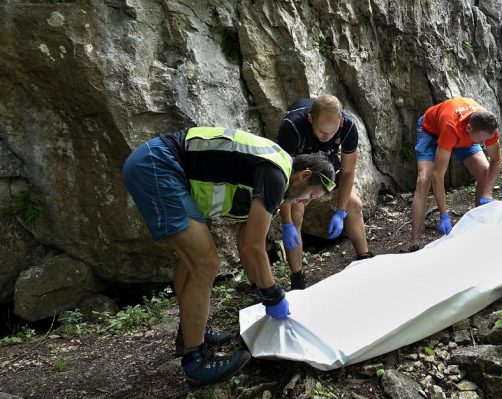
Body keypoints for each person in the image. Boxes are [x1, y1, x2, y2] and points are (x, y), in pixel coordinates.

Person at [122, 127, 336, 384]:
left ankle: (188, 334)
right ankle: (196, 360)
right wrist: (273, 293)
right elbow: (255, 246)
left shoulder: (271, 171)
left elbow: (245, 242)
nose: (306, 202)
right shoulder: (276, 175)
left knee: (192, 262)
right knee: (206, 263)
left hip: (157, 163)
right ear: (304, 175)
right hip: (157, 165)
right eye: (311, 195)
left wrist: (259, 286)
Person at [276, 94, 373, 290]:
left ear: (340, 122)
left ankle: (365, 260)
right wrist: (286, 223)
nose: (326, 137)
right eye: (322, 132)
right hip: (298, 167)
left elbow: (347, 171)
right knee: (295, 215)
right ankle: (298, 279)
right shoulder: (293, 126)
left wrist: (341, 210)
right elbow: (283, 177)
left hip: (326, 161)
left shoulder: (348, 126)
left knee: (354, 204)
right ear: (311, 119)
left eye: (332, 132)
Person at [408, 98, 502, 252]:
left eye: (487, 139)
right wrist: (444, 214)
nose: (485, 144)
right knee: (424, 180)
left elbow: (496, 160)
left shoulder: (487, 126)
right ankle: (414, 242)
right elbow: (438, 176)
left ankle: (481, 227)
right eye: (482, 140)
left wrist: (488, 192)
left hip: (465, 138)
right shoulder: (451, 126)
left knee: (485, 174)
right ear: (469, 128)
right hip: (431, 132)